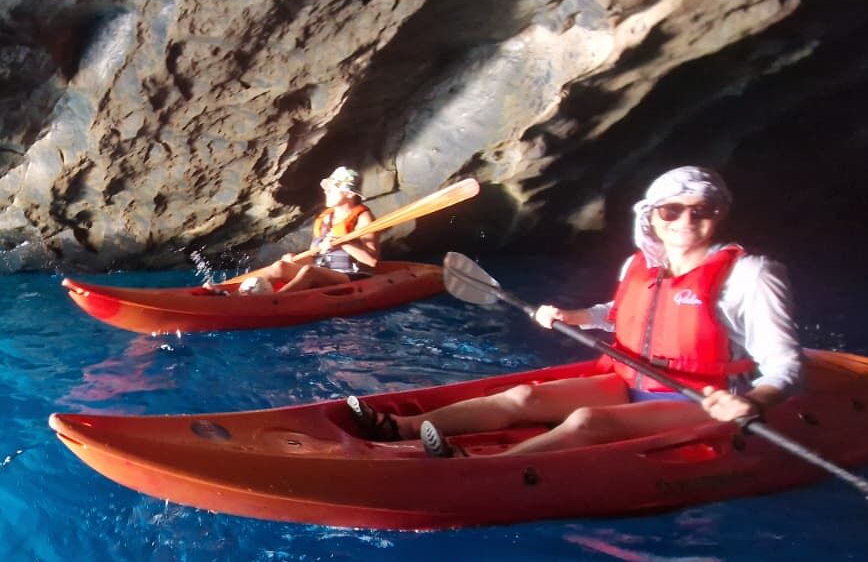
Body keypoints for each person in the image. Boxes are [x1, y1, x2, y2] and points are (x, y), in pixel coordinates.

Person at [346, 166, 803, 457]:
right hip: (630, 379)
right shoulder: (641, 264)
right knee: (524, 397)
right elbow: (621, 313)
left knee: (588, 421)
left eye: (702, 209)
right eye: (672, 210)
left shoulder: (751, 275)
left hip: (702, 399)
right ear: (652, 216)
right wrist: (578, 316)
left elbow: (784, 366)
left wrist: (752, 402)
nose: (686, 219)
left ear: (719, 214)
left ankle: (485, 467)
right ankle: (399, 427)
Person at [238, 167, 381, 294]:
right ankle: (234, 297)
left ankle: (274, 301)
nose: (326, 191)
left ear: (349, 194)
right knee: (280, 266)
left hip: (352, 275)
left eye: (332, 189)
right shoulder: (326, 218)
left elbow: (371, 261)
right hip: (325, 270)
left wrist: (343, 244)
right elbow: (315, 256)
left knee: (310, 272)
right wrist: (295, 259)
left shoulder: (363, 218)